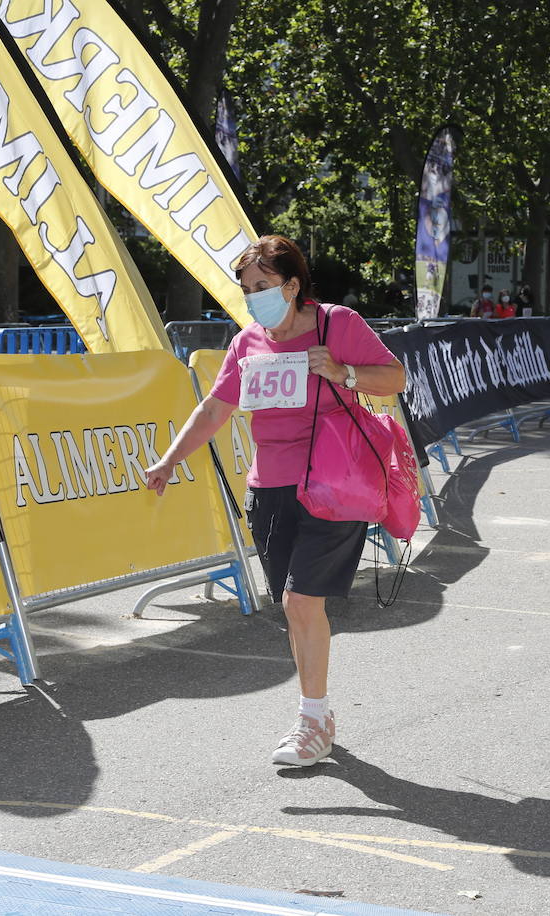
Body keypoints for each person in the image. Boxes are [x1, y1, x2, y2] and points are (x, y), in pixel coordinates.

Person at [144, 235, 406, 768]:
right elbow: (215, 410)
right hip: (270, 488)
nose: (253, 298)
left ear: (291, 285)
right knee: (295, 607)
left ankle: (312, 720)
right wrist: (169, 459)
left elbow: (395, 377)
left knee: (299, 602)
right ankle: (319, 715)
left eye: (262, 286)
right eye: (246, 290)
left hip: (336, 485)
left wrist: (342, 371)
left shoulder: (339, 325)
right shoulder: (248, 343)